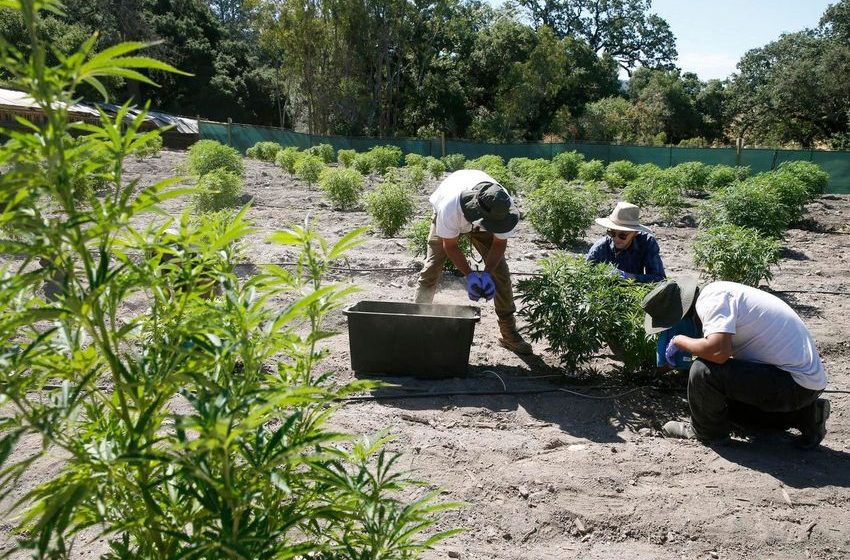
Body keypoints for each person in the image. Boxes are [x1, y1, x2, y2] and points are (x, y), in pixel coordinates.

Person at [642, 278, 829, 449]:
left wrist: (679, 340)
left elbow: (718, 353)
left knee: (703, 371)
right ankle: (807, 416)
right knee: (724, 408)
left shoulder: (711, 300)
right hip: (804, 384)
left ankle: (706, 433)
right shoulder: (720, 292)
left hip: (792, 384)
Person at [414, 169, 532, 354]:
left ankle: (509, 333)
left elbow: (499, 243)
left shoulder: (502, 206)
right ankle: (416, 325)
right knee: (431, 269)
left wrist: (486, 273)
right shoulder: (450, 207)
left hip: (483, 217)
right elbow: (450, 246)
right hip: (454, 216)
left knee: (500, 273)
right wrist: (470, 275)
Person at [587, 201, 665, 283]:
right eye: (612, 233)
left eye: (622, 235)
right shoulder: (600, 247)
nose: (616, 239)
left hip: (636, 291)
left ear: (635, 233)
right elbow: (585, 275)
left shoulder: (647, 242)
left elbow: (659, 278)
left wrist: (629, 277)